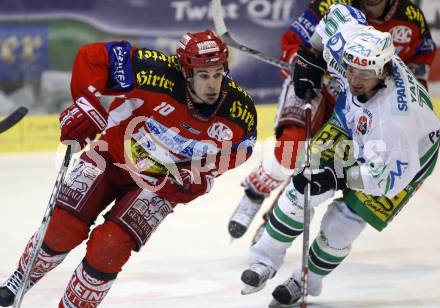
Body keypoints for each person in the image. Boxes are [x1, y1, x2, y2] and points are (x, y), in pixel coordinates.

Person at [0, 30, 257, 307]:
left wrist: (204, 174)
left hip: (160, 184)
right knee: (63, 228)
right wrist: (86, 102)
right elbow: (93, 56)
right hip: (109, 158)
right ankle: (20, 280)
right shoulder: (152, 71)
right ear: (186, 71)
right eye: (204, 75)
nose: (212, 85)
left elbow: (241, 149)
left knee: (109, 247)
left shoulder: (238, 111)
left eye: (218, 74)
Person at [239, 3, 439, 306]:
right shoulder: (353, 44)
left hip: (404, 160)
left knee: (342, 224)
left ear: (385, 71)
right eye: (350, 68)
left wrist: (337, 178)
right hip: (350, 121)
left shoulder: (397, 122)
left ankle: (308, 280)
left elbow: (385, 181)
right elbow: (335, 16)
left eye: (365, 72)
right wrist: (310, 57)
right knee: (301, 187)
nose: (354, 79)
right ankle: (264, 258)